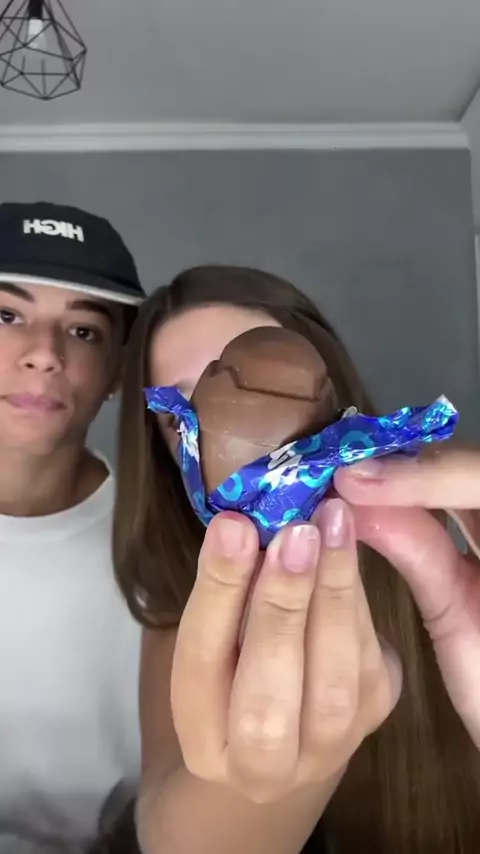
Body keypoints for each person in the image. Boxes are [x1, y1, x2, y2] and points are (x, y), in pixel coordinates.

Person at [114, 265, 480, 854]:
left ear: (332, 400)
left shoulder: (452, 546)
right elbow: (172, 835)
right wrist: (263, 770)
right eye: (183, 416)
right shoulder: (179, 611)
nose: (244, 440)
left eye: (267, 380)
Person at [0, 202, 145, 854]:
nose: (43, 354)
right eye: (6, 316)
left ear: (118, 371)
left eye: (83, 331)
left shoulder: (165, 542)